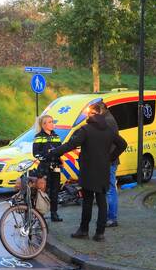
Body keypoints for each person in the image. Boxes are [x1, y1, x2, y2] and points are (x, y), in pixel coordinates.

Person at [51, 102, 127, 242]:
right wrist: (110, 157)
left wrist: (54, 152)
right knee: (101, 200)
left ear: (92, 114)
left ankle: (84, 230)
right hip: (103, 169)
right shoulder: (108, 129)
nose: (86, 115)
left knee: (87, 201)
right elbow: (123, 144)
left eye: (88, 113)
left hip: (88, 170)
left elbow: (70, 145)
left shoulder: (86, 129)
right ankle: (100, 233)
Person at [32, 114, 63, 222]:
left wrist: (59, 158)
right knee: (42, 191)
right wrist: (47, 156)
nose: (52, 124)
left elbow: (60, 150)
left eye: (52, 121)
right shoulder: (38, 137)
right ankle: (40, 215)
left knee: (55, 191)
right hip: (44, 168)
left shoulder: (56, 136)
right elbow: (35, 154)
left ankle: (54, 214)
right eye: (50, 122)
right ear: (44, 125)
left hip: (56, 167)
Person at [98, 102, 122, 228]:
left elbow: (109, 143)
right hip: (109, 160)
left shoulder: (107, 121)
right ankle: (110, 216)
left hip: (108, 161)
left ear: (100, 110)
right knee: (109, 189)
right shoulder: (108, 119)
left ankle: (112, 218)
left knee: (110, 190)